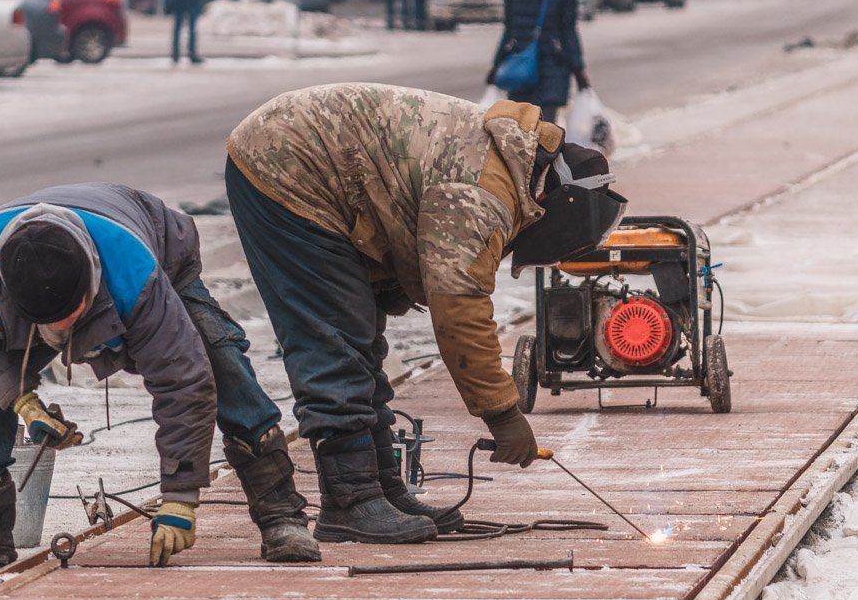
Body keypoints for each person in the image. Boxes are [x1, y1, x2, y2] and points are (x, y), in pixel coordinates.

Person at [224, 83, 626, 545]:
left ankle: (380, 489)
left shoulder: (512, 165)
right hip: (285, 163)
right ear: (554, 209)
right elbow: (459, 307)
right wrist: (502, 414)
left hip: (317, 161)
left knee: (358, 336)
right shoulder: (481, 194)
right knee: (334, 336)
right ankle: (350, 501)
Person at [0, 183, 320, 583]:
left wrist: (180, 498)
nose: (63, 331)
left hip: (154, 245)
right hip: (30, 290)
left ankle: (281, 515)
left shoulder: (134, 273)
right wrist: (22, 401)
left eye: (72, 315)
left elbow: (183, 381)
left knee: (214, 356)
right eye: (51, 323)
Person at [488, 0, 589, 124]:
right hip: (521, 71)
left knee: (546, 129)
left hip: (552, 67)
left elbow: (569, 31)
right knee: (520, 128)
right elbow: (509, 30)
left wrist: (578, 68)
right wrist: (496, 64)